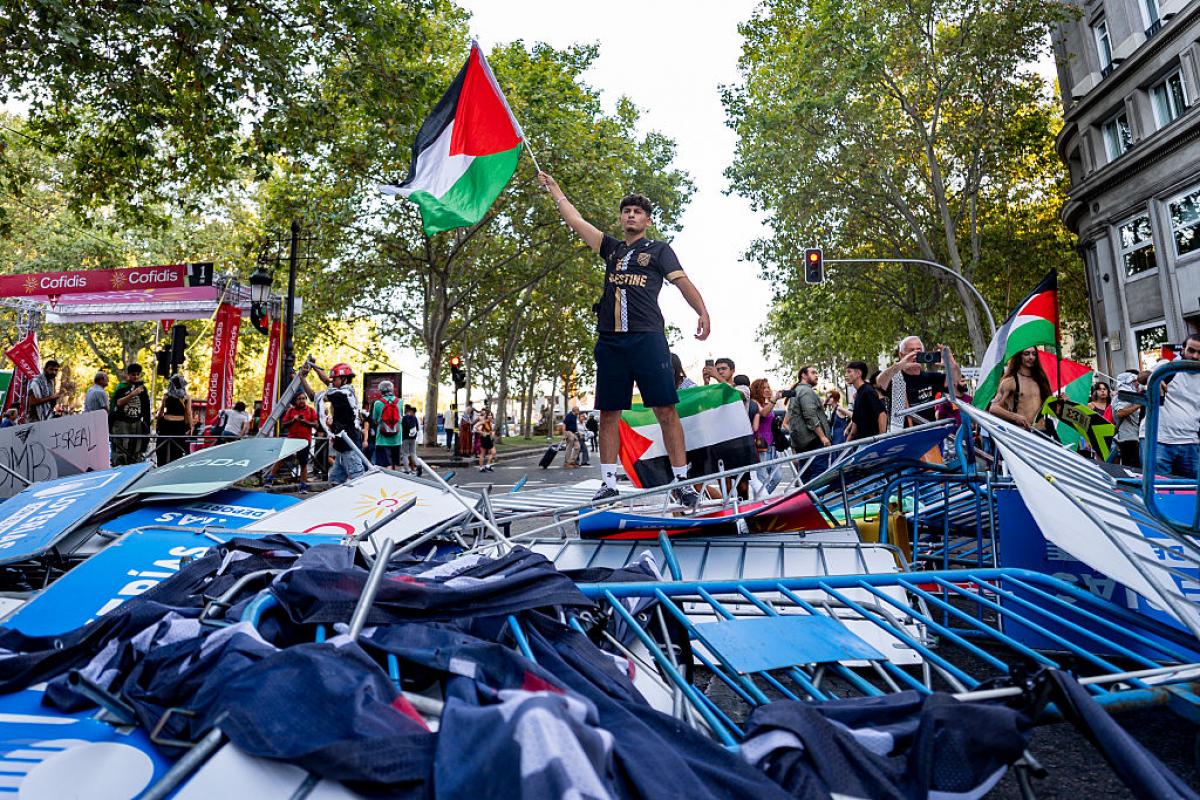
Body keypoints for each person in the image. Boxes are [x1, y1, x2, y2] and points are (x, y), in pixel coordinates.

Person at [540, 170, 710, 508]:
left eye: (638, 211)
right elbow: (575, 221)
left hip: (648, 338)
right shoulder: (611, 249)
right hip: (611, 342)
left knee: (665, 409)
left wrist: (702, 312)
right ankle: (608, 484)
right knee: (608, 412)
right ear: (621, 218)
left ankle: (682, 482)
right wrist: (555, 189)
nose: (631, 215)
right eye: (626, 211)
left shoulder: (659, 251)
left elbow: (683, 283)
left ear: (648, 220)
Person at [876, 336, 959, 427]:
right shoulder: (896, 380)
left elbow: (955, 381)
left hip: (929, 431)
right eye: (911, 351)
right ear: (901, 355)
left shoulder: (930, 377)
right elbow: (879, 382)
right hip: (905, 433)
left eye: (919, 350)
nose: (915, 354)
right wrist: (900, 365)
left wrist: (950, 361)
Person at [1151, 334, 1200, 479]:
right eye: (1191, 350)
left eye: (1199, 352)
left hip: (1191, 442)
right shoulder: (1167, 367)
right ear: (1183, 350)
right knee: (1159, 488)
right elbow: (1142, 376)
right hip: (1160, 440)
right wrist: (1153, 379)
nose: (1195, 356)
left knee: (1191, 489)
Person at [316, 362, 366, 485]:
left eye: (335, 379)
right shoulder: (342, 391)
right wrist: (315, 367)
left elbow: (315, 396)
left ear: (344, 379)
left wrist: (302, 378)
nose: (332, 381)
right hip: (343, 445)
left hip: (349, 445)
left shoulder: (342, 394)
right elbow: (327, 381)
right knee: (335, 481)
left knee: (358, 481)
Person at [987, 348, 1052, 430]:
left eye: (1034, 354)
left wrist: (1062, 402)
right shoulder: (1010, 382)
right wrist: (1015, 417)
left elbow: (1050, 407)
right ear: (1019, 357)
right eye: (1026, 354)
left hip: (1043, 432)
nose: (1031, 357)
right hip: (1022, 433)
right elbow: (994, 408)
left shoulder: (1041, 380)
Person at [784, 366, 832, 474]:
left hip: (804, 442)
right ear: (804, 375)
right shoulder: (806, 391)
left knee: (805, 474)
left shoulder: (797, 391)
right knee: (818, 475)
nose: (816, 375)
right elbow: (810, 416)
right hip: (813, 441)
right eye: (813, 373)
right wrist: (822, 437)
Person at [267, 393, 317, 492]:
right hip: (291, 440)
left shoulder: (311, 410)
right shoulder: (290, 411)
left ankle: (303, 485)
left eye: (303, 398)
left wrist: (305, 422)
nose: (302, 401)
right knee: (281, 459)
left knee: (303, 463)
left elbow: (316, 425)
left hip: (304, 440)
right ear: (295, 400)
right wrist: (294, 420)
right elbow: (283, 425)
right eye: (299, 399)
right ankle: (270, 479)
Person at [111, 363, 151, 465]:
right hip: (122, 423)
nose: (136, 377)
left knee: (136, 449)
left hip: (137, 423)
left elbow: (146, 407)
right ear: (128, 374)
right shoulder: (121, 387)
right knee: (121, 448)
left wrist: (147, 424)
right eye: (133, 374)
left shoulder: (143, 388)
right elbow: (118, 403)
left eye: (138, 374)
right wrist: (132, 394)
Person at [749, 378, 781, 492]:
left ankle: (763, 498)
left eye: (768, 387)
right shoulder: (754, 402)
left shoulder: (767, 403)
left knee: (777, 477)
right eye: (764, 388)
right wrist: (774, 400)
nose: (767, 390)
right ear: (757, 390)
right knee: (762, 479)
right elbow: (763, 413)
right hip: (761, 445)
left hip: (772, 445)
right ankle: (762, 499)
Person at [154, 374, 192, 465]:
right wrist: (190, 426)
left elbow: (161, 411)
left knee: (163, 449)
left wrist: (158, 423)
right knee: (177, 450)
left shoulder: (166, 396)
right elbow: (188, 412)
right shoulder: (186, 397)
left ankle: (161, 467)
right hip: (179, 425)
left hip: (166, 424)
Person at [845, 360, 886, 441]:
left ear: (858, 373)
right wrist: (849, 439)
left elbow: (882, 414)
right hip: (861, 440)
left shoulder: (868, 391)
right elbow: (856, 420)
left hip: (872, 440)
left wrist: (881, 440)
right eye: (845, 372)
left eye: (849, 372)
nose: (846, 375)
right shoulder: (858, 393)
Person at [1112, 369, 1143, 469]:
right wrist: (1139, 404)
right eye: (1134, 381)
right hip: (1128, 438)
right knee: (1133, 468)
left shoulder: (1130, 395)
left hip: (1134, 437)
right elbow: (1120, 413)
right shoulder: (1124, 396)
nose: (1137, 383)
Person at [370, 380, 403, 468]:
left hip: (382, 439)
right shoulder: (400, 402)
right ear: (392, 390)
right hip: (397, 438)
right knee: (395, 464)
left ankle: (388, 477)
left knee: (385, 465)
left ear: (380, 391)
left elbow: (374, 419)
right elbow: (401, 417)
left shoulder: (378, 403)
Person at [400, 404, 421, 474]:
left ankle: (407, 469)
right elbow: (417, 428)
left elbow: (401, 428)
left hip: (405, 438)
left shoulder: (404, 418)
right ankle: (418, 464)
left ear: (406, 410)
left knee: (405, 454)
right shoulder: (414, 418)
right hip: (413, 438)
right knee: (413, 453)